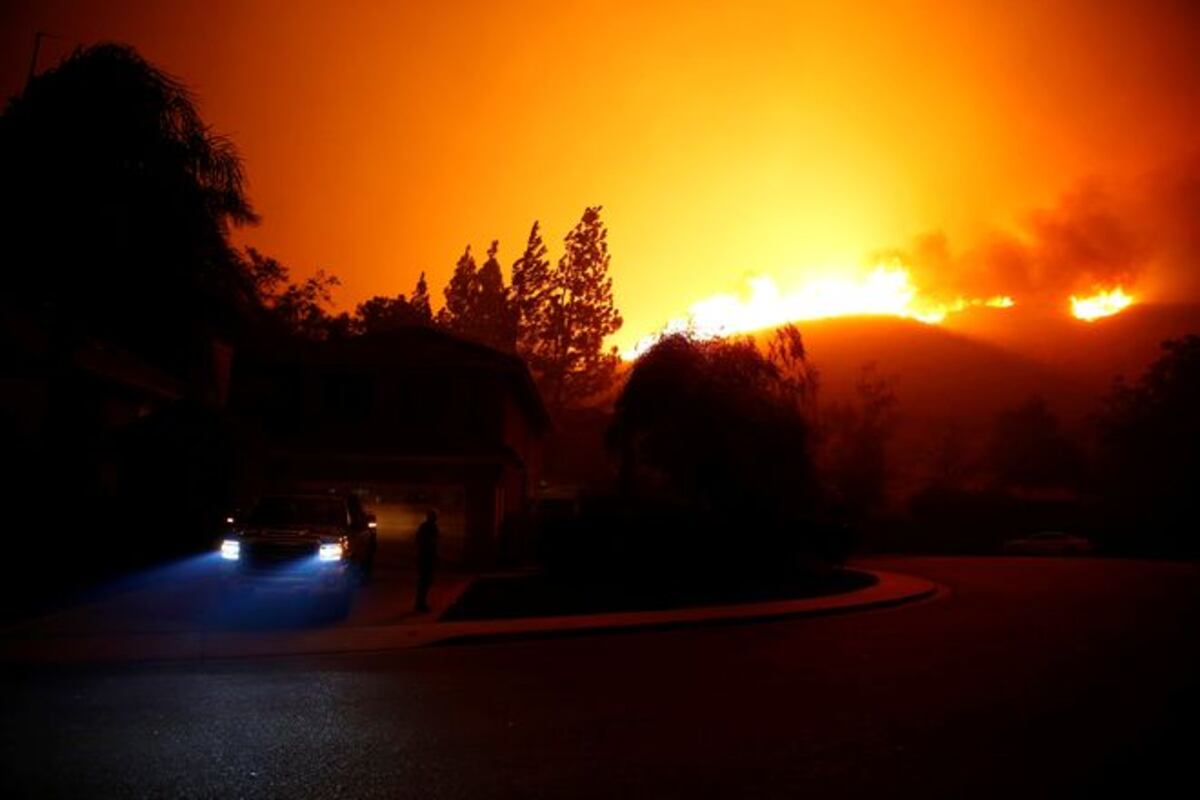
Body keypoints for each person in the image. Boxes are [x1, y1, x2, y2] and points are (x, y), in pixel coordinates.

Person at [414, 509, 439, 612]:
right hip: (426, 557)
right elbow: (432, 542)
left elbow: (418, 539)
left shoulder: (424, 526)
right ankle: (420, 603)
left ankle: (420, 602)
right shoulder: (431, 527)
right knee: (425, 581)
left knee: (424, 581)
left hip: (423, 556)